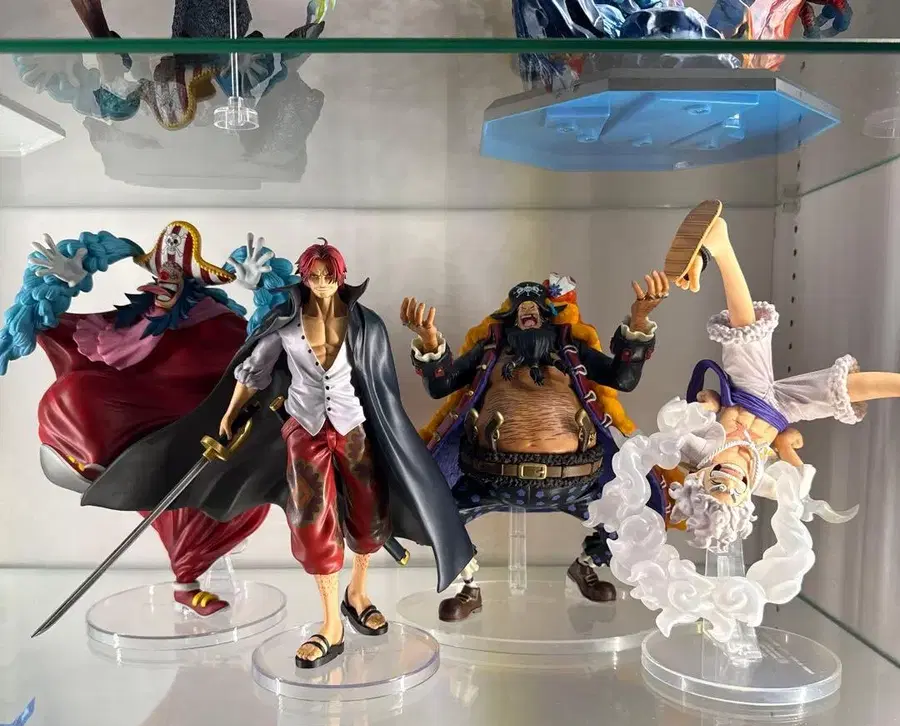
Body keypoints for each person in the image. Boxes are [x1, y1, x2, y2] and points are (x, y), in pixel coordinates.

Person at [83, 239, 475, 668]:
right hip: (305, 430)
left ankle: (358, 594)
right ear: (304, 277)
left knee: (368, 514)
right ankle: (331, 625)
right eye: (314, 276)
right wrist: (230, 412)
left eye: (328, 276)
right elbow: (254, 369)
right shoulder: (286, 324)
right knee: (312, 520)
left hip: (354, 429)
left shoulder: (366, 325)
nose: (321, 283)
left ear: (340, 277)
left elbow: (382, 386)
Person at [1, 222, 270, 615]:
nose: (165, 281)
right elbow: (52, 326)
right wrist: (62, 285)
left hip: (205, 443)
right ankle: (181, 574)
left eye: (176, 274)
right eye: (160, 272)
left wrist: (266, 293)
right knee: (77, 396)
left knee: (203, 507)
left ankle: (187, 581)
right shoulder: (132, 324)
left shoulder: (220, 324)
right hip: (143, 441)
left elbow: (267, 352)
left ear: (191, 284)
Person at [402, 273, 667, 622]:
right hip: (487, 478)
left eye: (535, 307)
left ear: (548, 315)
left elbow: (622, 378)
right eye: (520, 307)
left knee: (636, 511)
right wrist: (429, 340)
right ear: (510, 318)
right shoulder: (490, 352)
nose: (528, 311)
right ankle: (468, 586)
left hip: (577, 482)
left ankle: (587, 565)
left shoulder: (570, 349)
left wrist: (639, 320)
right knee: (430, 512)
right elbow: (442, 386)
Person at [663, 199, 895, 550]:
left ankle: (720, 247)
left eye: (718, 484)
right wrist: (785, 446)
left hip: (747, 394)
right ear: (745, 500)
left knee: (745, 332)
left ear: (699, 480)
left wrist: (706, 407)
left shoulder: (699, 451)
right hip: (782, 411)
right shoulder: (761, 481)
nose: (731, 480)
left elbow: (673, 425)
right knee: (838, 392)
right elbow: (796, 485)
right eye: (735, 490)